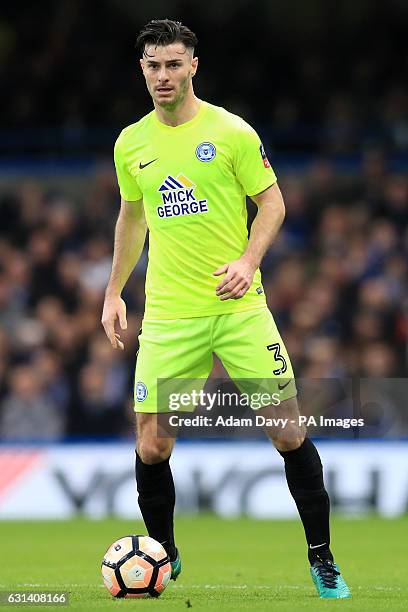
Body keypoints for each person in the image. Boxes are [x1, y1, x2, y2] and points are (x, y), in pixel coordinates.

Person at [102, 19, 351, 599]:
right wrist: (113, 290)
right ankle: (161, 553)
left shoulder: (233, 132)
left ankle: (323, 558)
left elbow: (273, 204)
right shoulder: (131, 143)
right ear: (142, 70)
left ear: (193, 66)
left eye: (172, 64)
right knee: (152, 443)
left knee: (287, 432)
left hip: (241, 311)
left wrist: (247, 261)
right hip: (169, 316)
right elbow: (132, 218)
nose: (162, 76)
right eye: (152, 66)